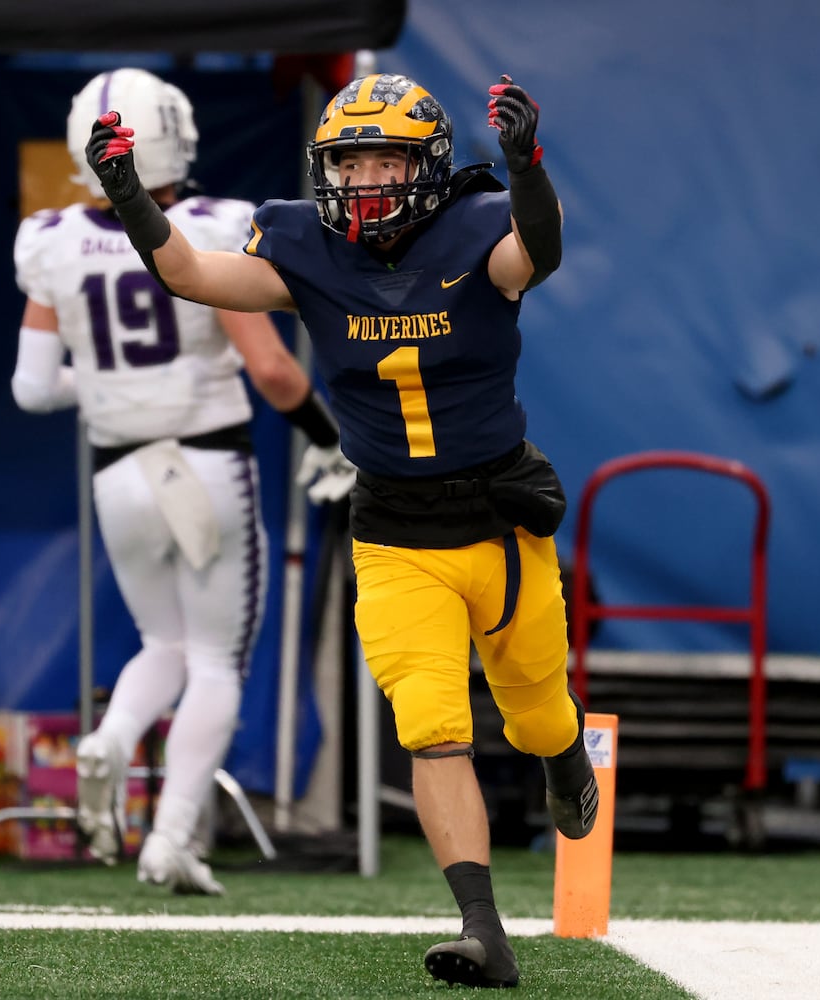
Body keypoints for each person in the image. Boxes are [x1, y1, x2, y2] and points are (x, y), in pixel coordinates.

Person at [81, 71, 598, 987]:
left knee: (534, 710)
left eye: (383, 160)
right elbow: (192, 274)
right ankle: (483, 930)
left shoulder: (480, 228)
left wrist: (525, 170)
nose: (362, 181)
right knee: (431, 728)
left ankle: (562, 759)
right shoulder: (302, 247)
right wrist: (130, 201)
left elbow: (539, 254)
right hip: (395, 532)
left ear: (429, 167)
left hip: (498, 520)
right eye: (347, 163)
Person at [10, 68, 354, 896]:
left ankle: (115, 735)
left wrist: (101, 386)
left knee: (159, 644)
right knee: (215, 661)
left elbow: (30, 389)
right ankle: (169, 841)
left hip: (118, 470)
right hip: (205, 462)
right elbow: (270, 369)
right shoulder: (210, 226)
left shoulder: (50, 237)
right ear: (177, 133)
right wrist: (328, 440)